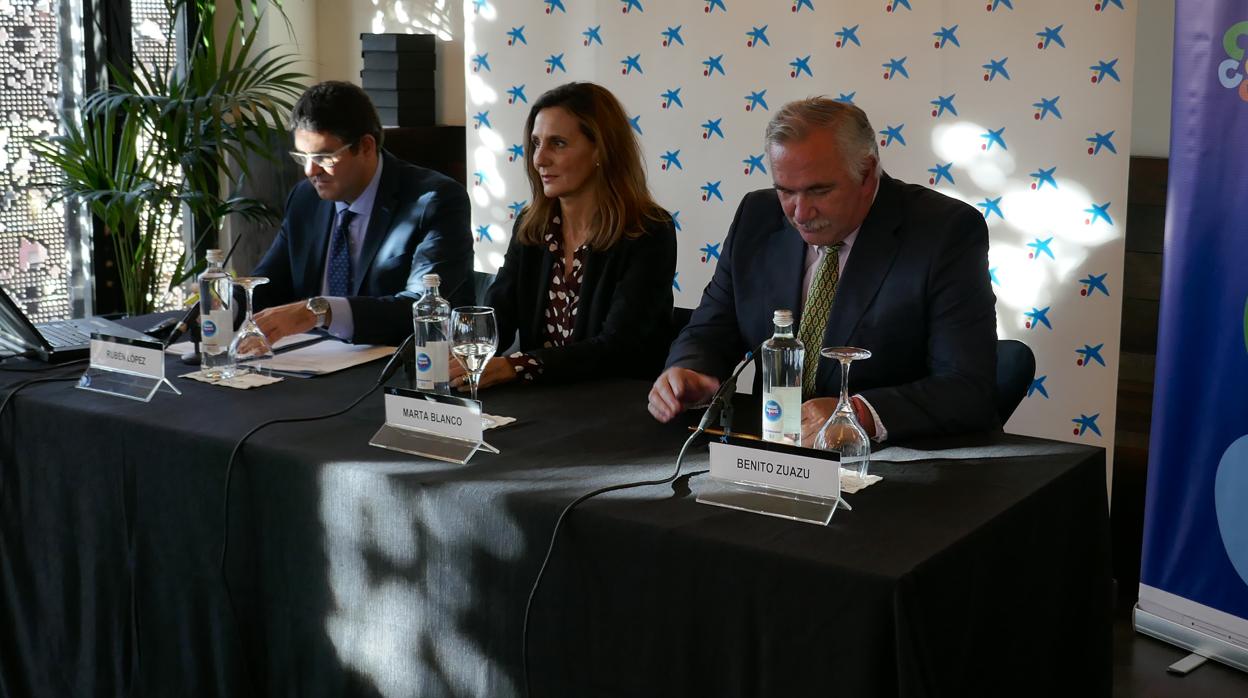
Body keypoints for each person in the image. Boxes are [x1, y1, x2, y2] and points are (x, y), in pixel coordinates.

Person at [648, 97, 998, 443]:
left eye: (819, 191)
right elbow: (711, 329)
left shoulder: (944, 232)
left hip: (886, 459)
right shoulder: (757, 216)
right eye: (786, 191)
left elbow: (966, 387)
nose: (800, 213)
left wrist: (856, 414)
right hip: (770, 448)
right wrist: (689, 371)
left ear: (866, 173)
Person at [449, 82, 676, 391]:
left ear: (601, 150)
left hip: (617, 402)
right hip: (539, 401)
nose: (539, 159)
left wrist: (517, 366)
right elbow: (498, 315)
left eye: (557, 143)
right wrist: (451, 351)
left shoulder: (648, 231)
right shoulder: (532, 226)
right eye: (536, 143)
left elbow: (618, 346)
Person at [249, 81, 473, 346]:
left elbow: (422, 309)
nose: (310, 171)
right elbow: (267, 285)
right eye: (302, 157)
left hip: (395, 361)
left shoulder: (434, 201)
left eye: (324, 158)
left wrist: (322, 312)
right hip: (309, 359)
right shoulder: (305, 198)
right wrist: (224, 302)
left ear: (366, 146)